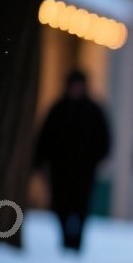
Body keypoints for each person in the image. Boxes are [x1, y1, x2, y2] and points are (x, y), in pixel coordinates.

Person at [35, 69, 112, 253]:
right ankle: (66, 239)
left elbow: (104, 139)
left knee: (81, 206)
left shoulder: (93, 111)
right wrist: (39, 161)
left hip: (84, 170)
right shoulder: (58, 109)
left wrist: (96, 159)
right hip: (60, 169)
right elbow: (45, 137)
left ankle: (76, 242)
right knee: (60, 206)